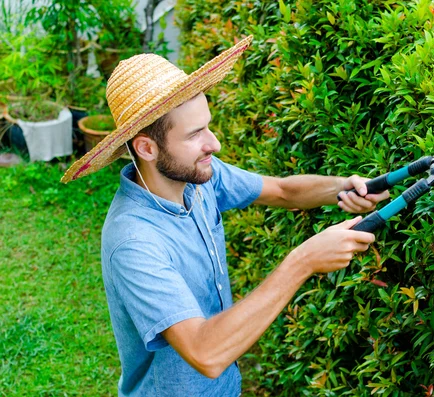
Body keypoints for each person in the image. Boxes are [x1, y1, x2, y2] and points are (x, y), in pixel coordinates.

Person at [61, 36, 389, 396]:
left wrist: (346, 186)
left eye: (208, 125)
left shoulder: (199, 177)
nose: (214, 144)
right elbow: (205, 352)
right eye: (196, 133)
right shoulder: (134, 242)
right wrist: (303, 261)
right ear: (146, 148)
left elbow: (281, 190)